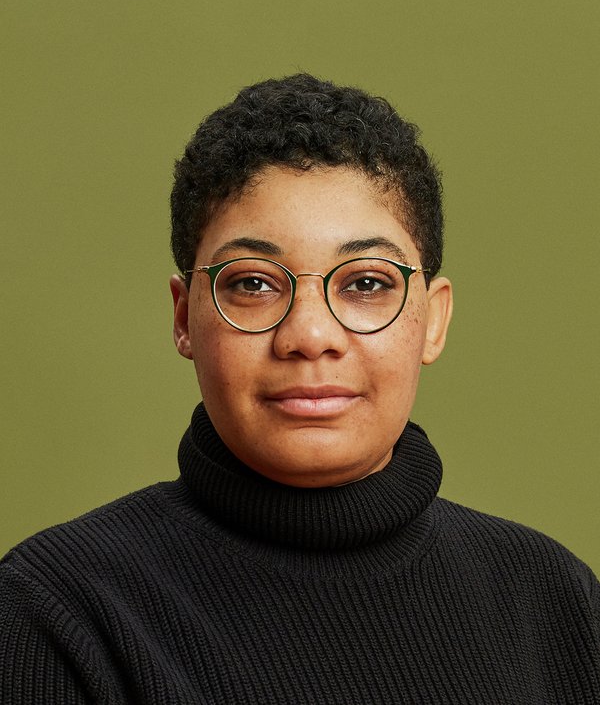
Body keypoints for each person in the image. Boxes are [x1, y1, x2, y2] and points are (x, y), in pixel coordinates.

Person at [0, 74, 598, 704]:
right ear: (184, 318)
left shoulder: (554, 602)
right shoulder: (56, 610)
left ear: (435, 319)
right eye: (254, 284)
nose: (310, 335)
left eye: (366, 284)